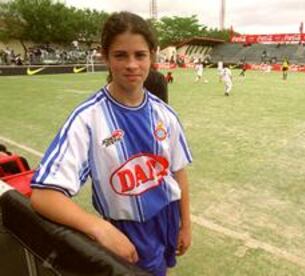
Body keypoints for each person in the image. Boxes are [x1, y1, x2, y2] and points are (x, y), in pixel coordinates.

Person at [30, 12, 192, 276]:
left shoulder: (165, 115)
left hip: (168, 216)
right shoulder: (88, 119)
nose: (131, 64)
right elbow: (43, 195)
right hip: (128, 229)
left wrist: (186, 223)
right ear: (105, 57)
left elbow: (179, 171)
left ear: (152, 57)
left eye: (140, 55)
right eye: (120, 55)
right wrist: (99, 228)